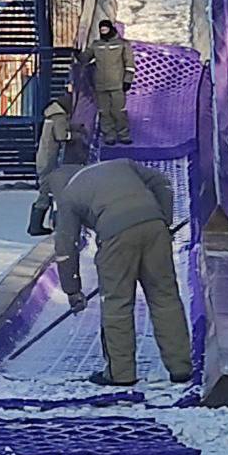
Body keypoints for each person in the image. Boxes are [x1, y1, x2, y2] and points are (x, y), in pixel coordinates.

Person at [49, 159, 192, 386]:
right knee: (165, 297)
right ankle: (181, 367)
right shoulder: (121, 164)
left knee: (118, 303)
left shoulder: (67, 197)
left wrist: (73, 290)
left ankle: (121, 373)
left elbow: (66, 248)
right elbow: (163, 182)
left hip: (116, 237)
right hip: (154, 226)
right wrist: (164, 221)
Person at [28, 90, 75, 237]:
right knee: (47, 192)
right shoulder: (59, 117)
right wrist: (76, 132)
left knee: (46, 191)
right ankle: (37, 225)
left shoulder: (50, 115)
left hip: (44, 159)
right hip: (50, 161)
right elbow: (62, 136)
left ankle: (36, 225)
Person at [87, 19, 135, 146]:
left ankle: (124, 134)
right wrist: (77, 54)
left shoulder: (122, 44)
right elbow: (86, 58)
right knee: (104, 111)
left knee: (119, 111)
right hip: (100, 85)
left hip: (117, 84)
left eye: (105, 29)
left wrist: (127, 80)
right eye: (101, 30)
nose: (103, 32)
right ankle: (109, 135)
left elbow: (129, 64)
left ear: (110, 29)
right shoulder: (96, 45)